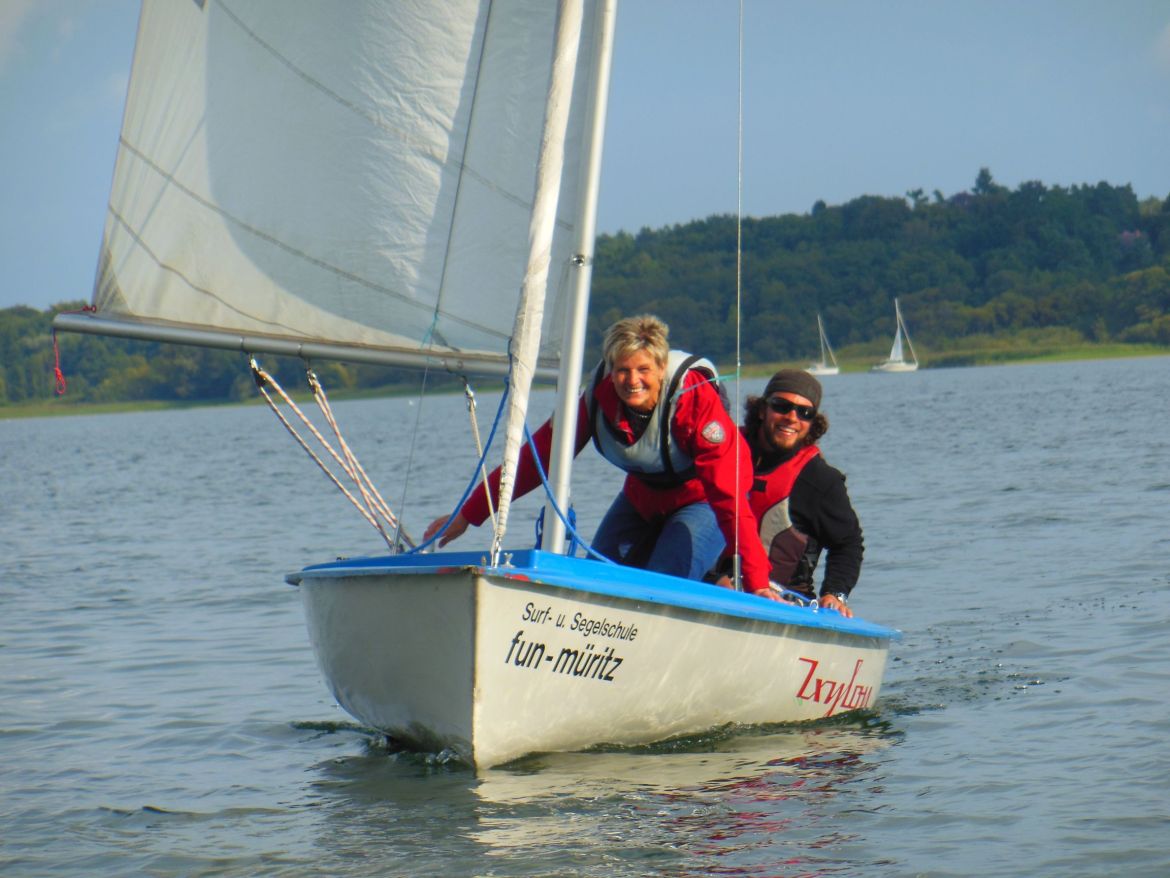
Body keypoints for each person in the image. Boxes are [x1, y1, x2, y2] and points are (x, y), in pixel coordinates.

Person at [423, 314, 777, 596]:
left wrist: (757, 579)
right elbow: (537, 460)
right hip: (642, 498)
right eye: (622, 369)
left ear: (660, 368)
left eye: (643, 370)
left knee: (662, 582)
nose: (632, 380)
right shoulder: (597, 399)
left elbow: (729, 496)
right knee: (598, 580)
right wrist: (470, 515)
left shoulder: (694, 402)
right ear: (611, 369)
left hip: (703, 500)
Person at [733, 369, 864, 617]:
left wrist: (835, 593)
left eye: (804, 412)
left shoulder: (820, 479)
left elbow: (848, 544)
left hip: (784, 605)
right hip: (712, 589)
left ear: (813, 422)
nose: (792, 417)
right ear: (762, 410)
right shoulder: (725, 453)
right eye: (781, 406)